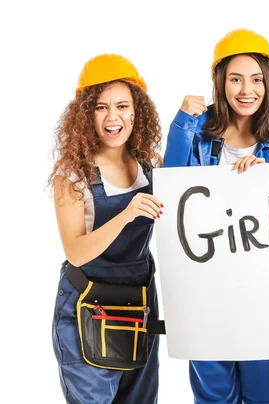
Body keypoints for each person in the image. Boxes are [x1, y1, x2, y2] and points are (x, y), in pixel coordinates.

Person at [164, 28, 269, 404]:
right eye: (235, 79)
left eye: (257, 79)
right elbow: (172, 195)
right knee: (214, 397)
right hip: (206, 295)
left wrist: (264, 179)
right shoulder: (195, 131)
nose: (247, 90)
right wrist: (180, 125)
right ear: (219, 82)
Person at [49, 54, 163, 403]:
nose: (113, 118)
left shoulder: (151, 165)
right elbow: (76, 252)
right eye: (100, 107)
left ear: (136, 111)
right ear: (86, 115)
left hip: (140, 309)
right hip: (87, 309)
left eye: (122, 106)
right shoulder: (72, 176)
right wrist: (126, 214)